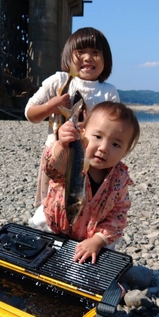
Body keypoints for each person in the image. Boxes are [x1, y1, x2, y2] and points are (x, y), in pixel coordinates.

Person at [25, 27, 120, 209]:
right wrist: (51, 106)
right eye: (81, 52)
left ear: (105, 59)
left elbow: (116, 129)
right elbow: (30, 113)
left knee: (85, 205)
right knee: (51, 206)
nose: (87, 58)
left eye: (95, 53)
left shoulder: (109, 92)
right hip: (57, 157)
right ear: (69, 57)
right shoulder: (59, 81)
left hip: (92, 160)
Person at [41, 101, 140, 264]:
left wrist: (98, 240)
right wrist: (61, 144)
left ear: (126, 151)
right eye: (98, 137)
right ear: (83, 133)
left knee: (92, 263)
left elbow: (118, 215)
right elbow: (50, 168)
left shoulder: (119, 179)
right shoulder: (70, 158)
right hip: (53, 228)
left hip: (91, 238)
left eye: (116, 144)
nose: (103, 148)